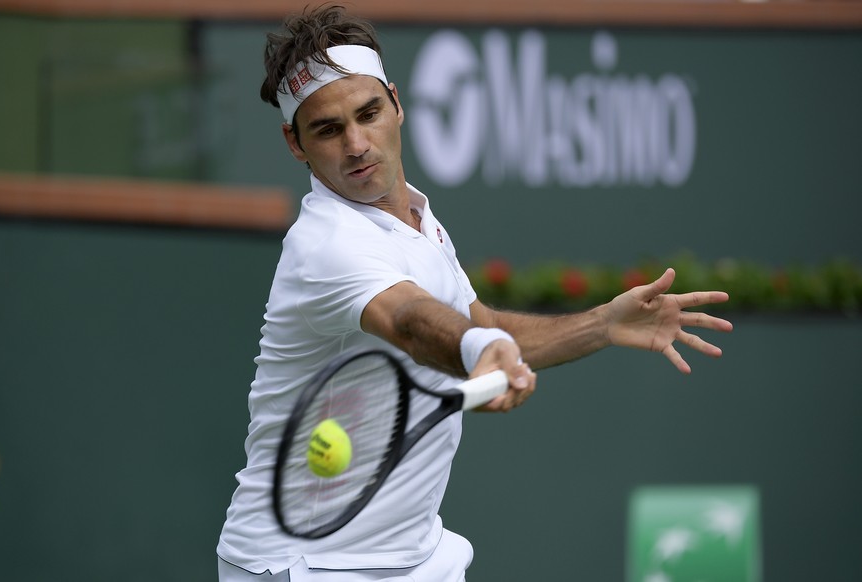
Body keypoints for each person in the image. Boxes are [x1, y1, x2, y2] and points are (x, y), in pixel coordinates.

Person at [217, 5, 733, 581]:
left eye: (369, 114)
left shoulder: (420, 220)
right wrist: (473, 351)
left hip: (414, 555)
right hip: (308, 565)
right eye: (329, 129)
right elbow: (409, 319)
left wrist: (602, 324)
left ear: (397, 103)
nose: (357, 144)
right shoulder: (325, 243)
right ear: (295, 143)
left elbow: (479, 321)